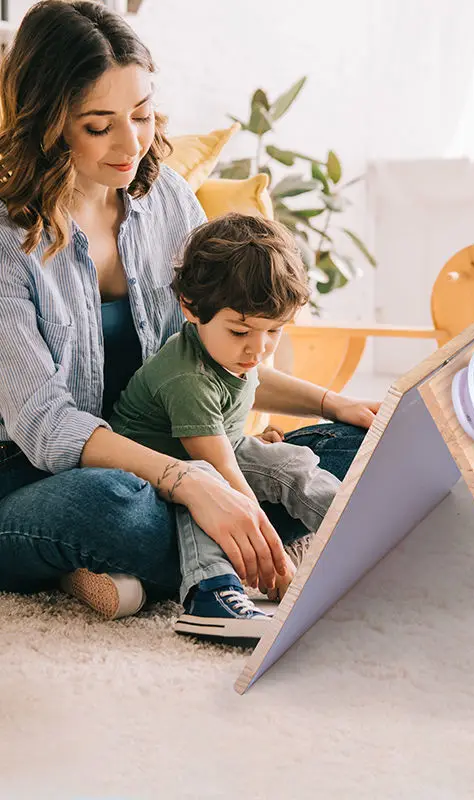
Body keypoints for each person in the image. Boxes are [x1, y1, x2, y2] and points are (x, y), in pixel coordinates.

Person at [0, 0, 378, 633]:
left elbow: (215, 354)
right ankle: (156, 544)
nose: (131, 144)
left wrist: (331, 406)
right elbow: (46, 426)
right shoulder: (10, 244)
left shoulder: (166, 196)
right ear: (49, 123)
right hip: (36, 475)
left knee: (354, 448)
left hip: (173, 439)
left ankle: (127, 565)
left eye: (143, 115)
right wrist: (189, 481)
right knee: (118, 508)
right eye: (99, 126)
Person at [109, 212, 342, 640]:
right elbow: (226, 481)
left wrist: (335, 406)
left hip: (223, 451)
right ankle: (210, 590)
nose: (259, 348)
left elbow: (250, 399)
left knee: (291, 462)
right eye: (241, 331)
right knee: (211, 499)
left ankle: (352, 527)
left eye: (275, 330)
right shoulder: (187, 378)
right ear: (191, 309)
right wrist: (279, 564)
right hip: (156, 473)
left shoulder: (234, 350)